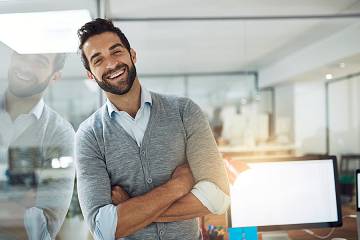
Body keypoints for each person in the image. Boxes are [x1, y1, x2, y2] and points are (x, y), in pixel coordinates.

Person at [75, 18, 230, 240]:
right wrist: (177, 186)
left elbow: (218, 197)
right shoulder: (89, 136)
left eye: (116, 52)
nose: (111, 64)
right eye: (98, 60)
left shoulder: (184, 111)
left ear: (133, 55)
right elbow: (103, 228)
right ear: (91, 74)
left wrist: (130, 208)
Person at [0, 51, 75, 240]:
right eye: (22, 55)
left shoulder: (60, 134)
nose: (25, 66)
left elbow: (44, 228)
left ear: (55, 76)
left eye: (40, 62)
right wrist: (19, 203)